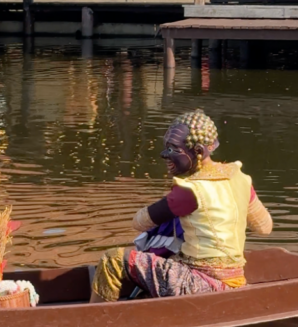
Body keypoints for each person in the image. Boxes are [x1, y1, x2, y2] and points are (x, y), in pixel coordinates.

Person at [92, 108, 273, 302]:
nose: (165, 155)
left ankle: (95, 320)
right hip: (235, 278)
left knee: (113, 260)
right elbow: (264, 227)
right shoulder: (240, 178)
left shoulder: (190, 190)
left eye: (172, 150)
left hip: (200, 282)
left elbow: (139, 222)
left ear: (198, 151)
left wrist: (171, 207)